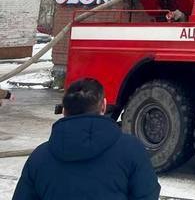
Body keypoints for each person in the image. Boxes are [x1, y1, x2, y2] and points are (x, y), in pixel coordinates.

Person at [12, 78, 160, 200]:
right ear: (103, 106)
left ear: (64, 111)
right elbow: (148, 195)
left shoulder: (39, 157)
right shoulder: (132, 150)